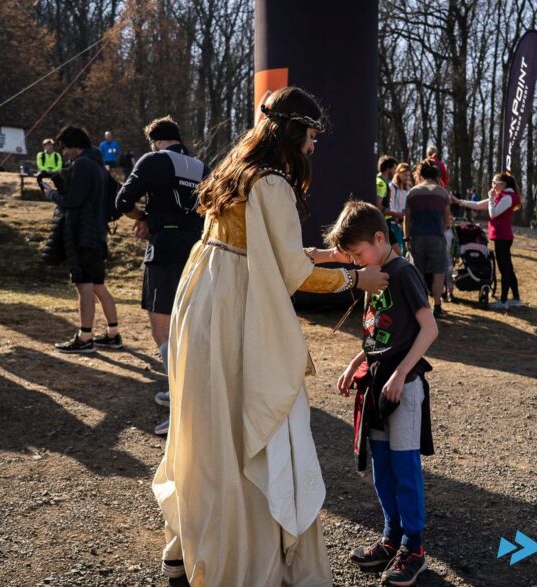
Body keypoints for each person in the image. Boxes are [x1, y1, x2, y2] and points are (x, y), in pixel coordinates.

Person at [151, 86, 389, 585]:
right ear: (293, 132)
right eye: (311, 136)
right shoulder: (273, 182)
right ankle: (245, 557)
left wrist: (324, 255)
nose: (313, 147)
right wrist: (355, 279)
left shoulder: (234, 170)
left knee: (207, 427)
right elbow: (292, 274)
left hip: (203, 301)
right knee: (250, 429)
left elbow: (258, 246)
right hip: (239, 311)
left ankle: (188, 547)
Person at [327, 201, 438, 587]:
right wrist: (355, 363)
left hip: (403, 387)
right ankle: (392, 538)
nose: (357, 263)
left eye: (358, 255)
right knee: (382, 468)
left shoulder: (404, 274)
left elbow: (429, 329)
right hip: (376, 386)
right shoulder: (373, 277)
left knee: (404, 468)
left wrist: (402, 373)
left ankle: (414, 549)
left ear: (379, 238)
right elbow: (377, 335)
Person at [115, 116, 210, 436]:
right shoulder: (202, 166)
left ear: (155, 141)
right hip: (199, 250)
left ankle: (183, 408)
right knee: (190, 327)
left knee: (163, 327)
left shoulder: (153, 159)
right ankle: (181, 389)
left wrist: (144, 217)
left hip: (165, 249)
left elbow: (122, 201)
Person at [42, 126, 121, 353]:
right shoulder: (99, 165)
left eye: (64, 148)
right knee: (98, 285)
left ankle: (85, 338)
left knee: (84, 286)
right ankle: (113, 334)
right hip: (98, 232)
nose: (64, 153)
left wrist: (51, 194)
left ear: (72, 145)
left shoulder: (82, 164)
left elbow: (72, 200)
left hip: (84, 234)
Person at [453, 172, 522, 309]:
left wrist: (491, 198)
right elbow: (478, 205)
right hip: (500, 236)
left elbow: (493, 213)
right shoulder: (501, 196)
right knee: (508, 268)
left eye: (495, 183)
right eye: (492, 182)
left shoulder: (508, 197)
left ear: (504, 184)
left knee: (505, 269)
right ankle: (516, 298)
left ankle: (503, 301)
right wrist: (459, 202)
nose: (492, 185)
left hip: (503, 236)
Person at [404, 160, 451, 318]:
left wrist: (406, 238)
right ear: (436, 176)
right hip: (436, 237)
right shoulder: (442, 192)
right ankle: (437, 306)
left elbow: (407, 218)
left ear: (421, 174)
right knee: (438, 272)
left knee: (418, 273)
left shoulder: (412, 192)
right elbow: (447, 220)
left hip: (416, 237)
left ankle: (420, 306)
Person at [375, 155, 402, 255]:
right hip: (381, 223)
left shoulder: (379, 181)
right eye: (394, 169)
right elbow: (378, 206)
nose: (396, 172)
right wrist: (395, 214)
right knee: (397, 252)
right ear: (387, 169)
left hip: (383, 221)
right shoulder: (381, 183)